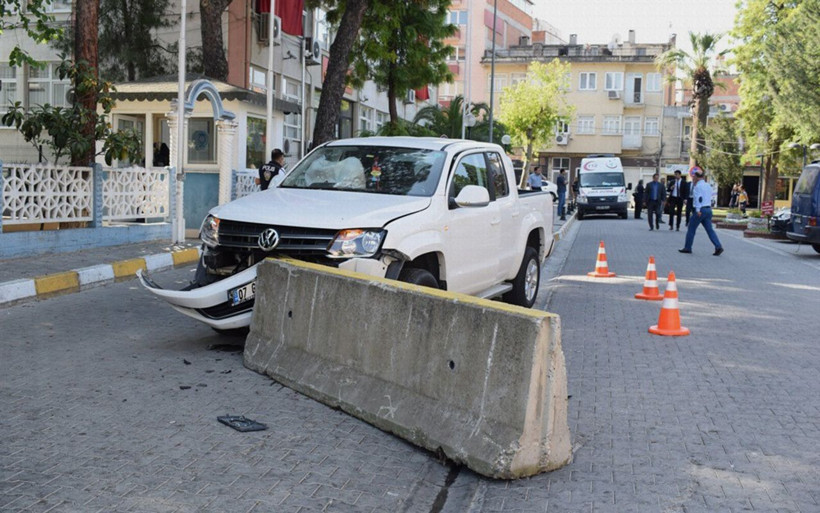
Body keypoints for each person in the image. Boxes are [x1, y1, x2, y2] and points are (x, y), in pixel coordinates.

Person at [679, 170, 723, 256]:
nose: (693, 178)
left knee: (691, 228)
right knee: (710, 230)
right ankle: (718, 246)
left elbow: (698, 198)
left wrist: (698, 210)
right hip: (708, 209)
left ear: (696, 177)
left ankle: (687, 247)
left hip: (700, 210)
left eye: (694, 177)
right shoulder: (708, 185)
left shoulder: (697, 187)